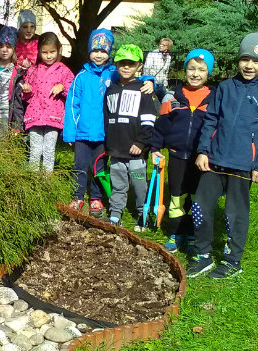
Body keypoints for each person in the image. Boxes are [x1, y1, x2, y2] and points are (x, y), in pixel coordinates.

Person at [187, 33, 258, 279]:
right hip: (214, 161)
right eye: (245, 59)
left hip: (243, 165)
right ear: (238, 60)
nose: (249, 65)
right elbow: (211, 120)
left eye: (256, 61)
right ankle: (203, 255)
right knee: (199, 207)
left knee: (234, 215)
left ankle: (232, 261)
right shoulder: (225, 87)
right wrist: (203, 151)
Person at [64, 30, 157, 217]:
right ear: (89, 51)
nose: (99, 55)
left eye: (103, 51)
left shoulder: (113, 73)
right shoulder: (81, 77)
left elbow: (132, 78)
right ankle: (77, 196)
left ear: (109, 53)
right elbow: (72, 105)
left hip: (104, 133)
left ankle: (96, 197)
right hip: (82, 132)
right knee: (79, 166)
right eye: (95, 50)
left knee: (99, 168)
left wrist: (150, 81)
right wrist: (70, 133)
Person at [150, 48, 216, 253]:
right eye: (191, 69)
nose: (196, 74)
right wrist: (155, 148)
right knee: (177, 197)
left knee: (197, 198)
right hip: (177, 156)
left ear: (208, 73)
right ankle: (176, 232)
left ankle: (193, 233)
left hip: (202, 159)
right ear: (185, 70)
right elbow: (161, 126)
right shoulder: (172, 97)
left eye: (201, 70)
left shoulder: (215, 99)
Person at [103, 44, 157, 228]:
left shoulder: (143, 90)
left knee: (139, 184)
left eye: (131, 64)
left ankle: (143, 214)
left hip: (136, 151)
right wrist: (107, 143)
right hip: (116, 149)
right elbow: (106, 117)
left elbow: (149, 119)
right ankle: (115, 214)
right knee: (118, 183)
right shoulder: (111, 89)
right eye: (122, 63)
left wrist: (141, 142)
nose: (126, 67)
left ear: (139, 66)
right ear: (116, 64)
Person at [21, 32, 74, 172]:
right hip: (35, 116)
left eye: (52, 52)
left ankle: (47, 181)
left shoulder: (64, 70)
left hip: (53, 117)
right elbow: (26, 96)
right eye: (45, 52)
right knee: (35, 150)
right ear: (39, 52)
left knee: (49, 151)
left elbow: (73, 90)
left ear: (58, 50)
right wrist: (27, 90)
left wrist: (62, 87)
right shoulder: (33, 70)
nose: (49, 56)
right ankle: (33, 179)